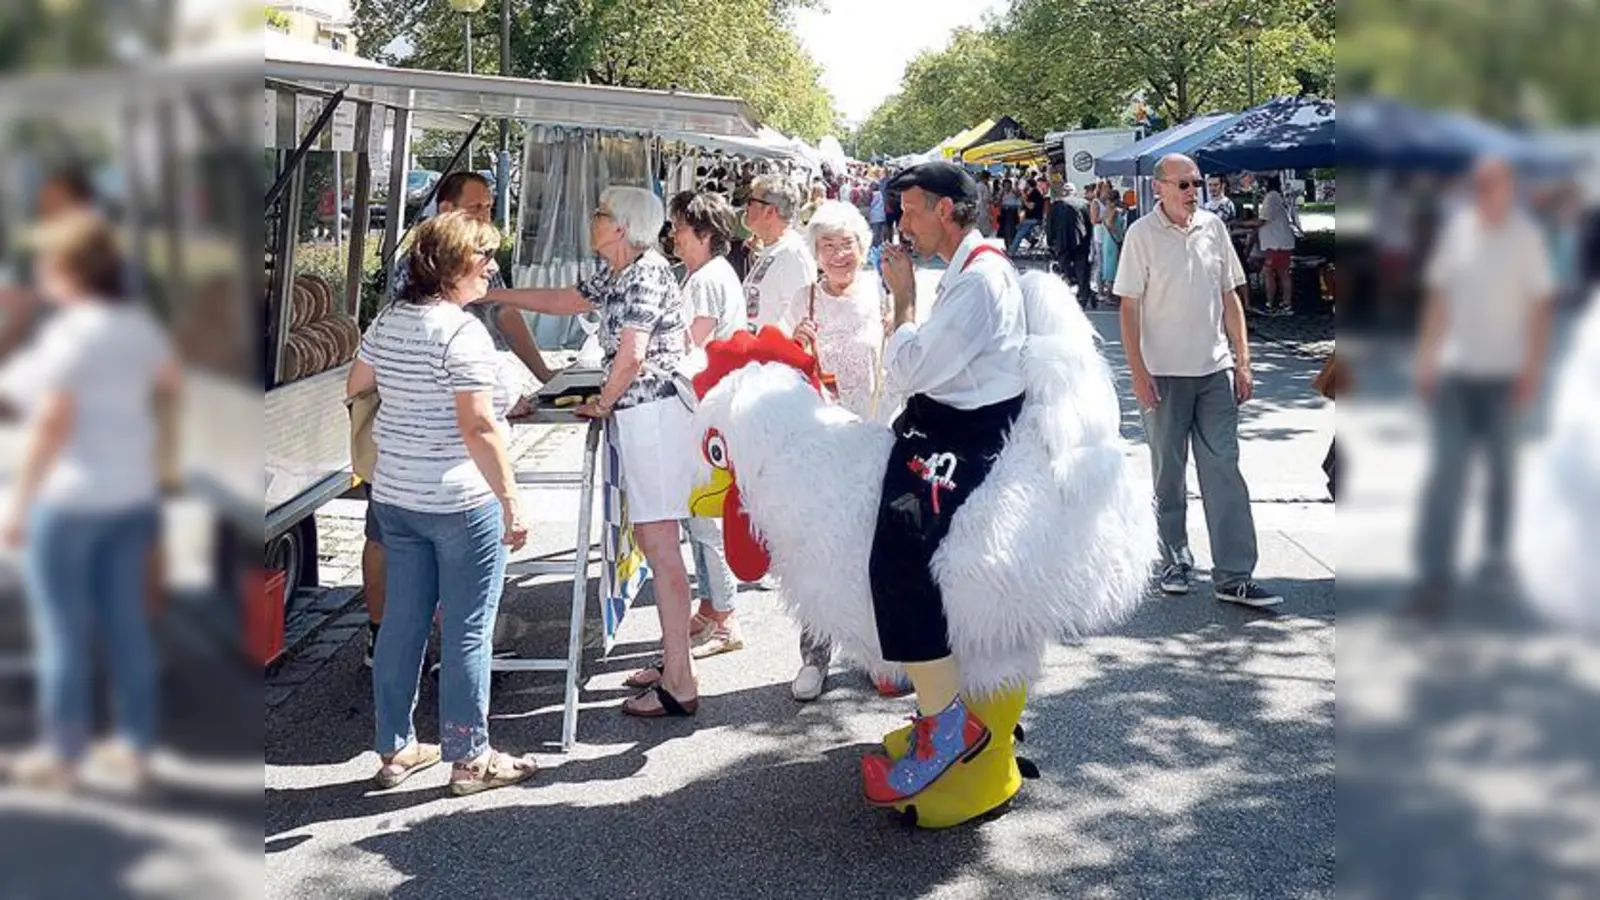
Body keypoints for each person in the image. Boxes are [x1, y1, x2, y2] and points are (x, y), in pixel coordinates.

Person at [350, 211, 542, 795]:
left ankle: (395, 748)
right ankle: (469, 757)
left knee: (402, 625)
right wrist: (511, 500)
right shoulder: (462, 333)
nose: (492, 268)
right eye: (483, 258)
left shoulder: (388, 321)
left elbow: (355, 386)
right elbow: (479, 426)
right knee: (467, 628)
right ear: (454, 266)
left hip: (397, 494)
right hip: (461, 500)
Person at [862, 161, 1030, 803]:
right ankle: (944, 706)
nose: (900, 223)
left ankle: (947, 724)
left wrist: (902, 301)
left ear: (945, 210)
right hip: (950, 425)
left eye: (909, 209)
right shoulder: (974, 270)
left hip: (962, 438)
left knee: (898, 560)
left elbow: (911, 368)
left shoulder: (979, 282)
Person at [506, 187, 703, 717]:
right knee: (657, 543)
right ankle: (675, 660)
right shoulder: (624, 271)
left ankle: (680, 682)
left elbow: (633, 353)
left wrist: (603, 401)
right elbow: (568, 299)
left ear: (621, 227)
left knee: (661, 548)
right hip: (645, 417)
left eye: (600, 214)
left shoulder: (643, 272)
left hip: (653, 418)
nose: (592, 219)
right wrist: (500, 298)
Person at [0, 212, 177, 793]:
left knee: (65, 634)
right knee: (128, 626)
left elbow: (50, 423)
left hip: (71, 502)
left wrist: (19, 507)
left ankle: (65, 752)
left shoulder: (69, 335)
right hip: (131, 496)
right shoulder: (139, 329)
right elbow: (168, 393)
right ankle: (136, 747)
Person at [361, 171, 558, 668]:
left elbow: (506, 313)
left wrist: (545, 376)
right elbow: (472, 419)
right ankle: (388, 639)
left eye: (490, 206)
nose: (486, 215)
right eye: (477, 207)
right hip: (423, 443)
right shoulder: (428, 266)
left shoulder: (475, 257)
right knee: (397, 545)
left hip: (426, 446)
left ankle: (405, 666)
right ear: (446, 209)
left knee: (414, 553)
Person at [1114, 153, 1280, 608]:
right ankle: (1174, 558)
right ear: (1159, 188)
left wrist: (1242, 361)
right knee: (1168, 475)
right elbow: (1128, 308)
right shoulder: (1140, 235)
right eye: (1184, 184)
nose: (1193, 192)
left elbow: (1230, 297)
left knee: (1224, 468)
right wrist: (1138, 372)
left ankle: (1234, 574)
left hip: (1214, 371)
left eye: (1197, 184)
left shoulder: (1214, 228)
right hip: (1163, 374)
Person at [1409, 156, 1554, 618]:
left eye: (1495, 183)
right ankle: (1435, 577)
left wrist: (1533, 369)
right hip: (1456, 373)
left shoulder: (1527, 239)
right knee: (1447, 475)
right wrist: (1426, 358)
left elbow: (1538, 309)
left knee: (1501, 475)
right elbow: (1439, 298)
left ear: (1510, 188)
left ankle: (1496, 561)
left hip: (1504, 374)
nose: (1486, 190)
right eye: (1481, 183)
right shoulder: (1459, 233)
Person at [777, 200, 891, 701]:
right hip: (820, 445)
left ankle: (875, 654)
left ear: (862, 247)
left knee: (875, 551)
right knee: (818, 553)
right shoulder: (802, 300)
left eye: (846, 243)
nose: (839, 254)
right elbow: (775, 369)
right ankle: (814, 656)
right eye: (827, 245)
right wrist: (792, 345)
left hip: (874, 439)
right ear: (815, 253)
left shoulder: (882, 293)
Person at [667, 190, 744, 658]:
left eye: (680, 227)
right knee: (698, 512)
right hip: (714, 406)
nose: (673, 235)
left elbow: (688, 346)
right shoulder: (711, 274)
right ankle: (711, 607)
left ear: (705, 235)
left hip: (703, 408)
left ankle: (726, 618)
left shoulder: (704, 281)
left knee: (703, 517)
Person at [741, 175, 815, 330]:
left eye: (750, 201)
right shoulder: (774, 250)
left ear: (769, 211)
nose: (745, 207)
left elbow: (801, 321)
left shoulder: (793, 255)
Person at [1249, 175, 1297, 315]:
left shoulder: (1271, 197)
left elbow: (1262, 220)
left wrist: (1240, 223)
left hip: (1277, 243)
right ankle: (1284, 304)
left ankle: (1273, 304)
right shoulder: (1274, 197)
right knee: (1281, 273)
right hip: (1278, 242)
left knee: (1270, 273)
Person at [1048, 182, 1092, 304]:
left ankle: (1072, 280)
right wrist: (1089, 239)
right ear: (1075, 192)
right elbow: (1089, 223)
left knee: (1064, 265)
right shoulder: (1083, 204)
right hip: (1081, 240)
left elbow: (1050, 224)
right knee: (1081, 266)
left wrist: (1050, 241)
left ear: (1063, 192)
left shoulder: (1056, 205)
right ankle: (1083, 293)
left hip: (1062, 240)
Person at [1098, 192, 1126, 301]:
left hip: (1107, 240)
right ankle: (1111, 293)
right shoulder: (1114, 211)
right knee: (1113, 265)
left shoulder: (1106, 210)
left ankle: (1109, 292)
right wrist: (1119, 234)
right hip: (1113, 240)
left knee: (1109, 265)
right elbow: (1110, 224)